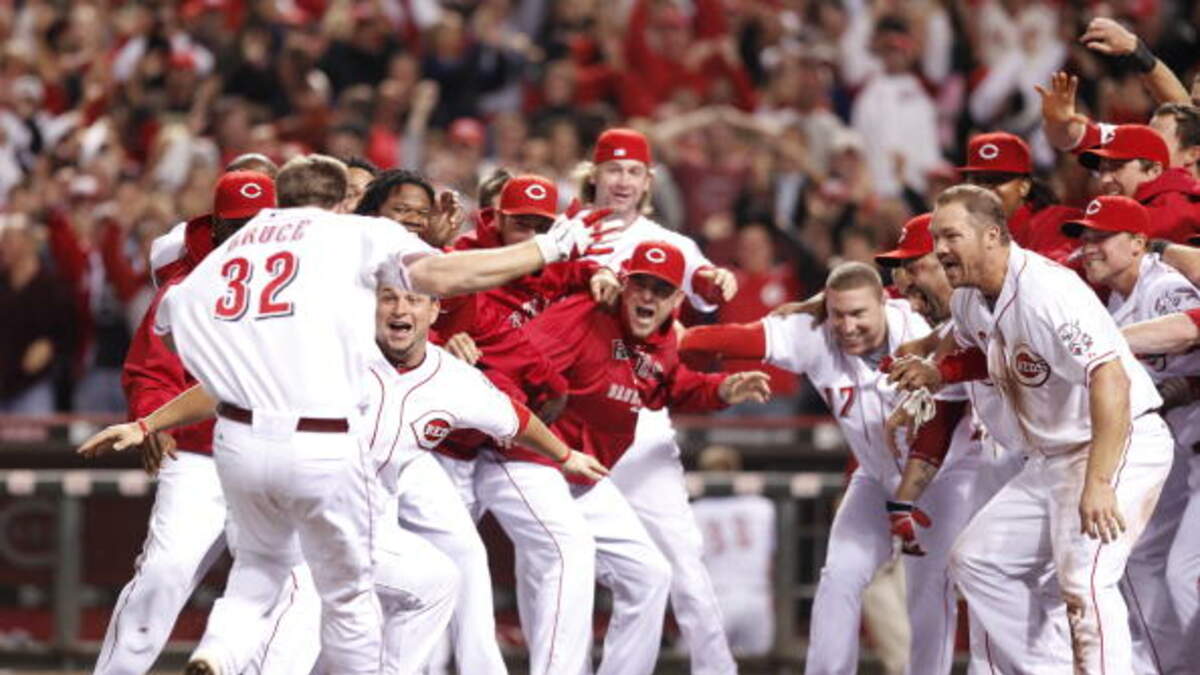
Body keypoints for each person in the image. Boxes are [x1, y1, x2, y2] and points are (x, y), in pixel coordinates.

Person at [80, 153, 618, 674]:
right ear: (343, 202)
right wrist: (548, 248)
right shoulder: (343, 247)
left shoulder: (212, 268)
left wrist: (149, 419)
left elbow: (195, 349)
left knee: (280, 576)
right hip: (299, 446)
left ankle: (218, 654)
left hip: (243, 439)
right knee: (324, 590)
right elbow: (444, 277)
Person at [888, 184, 1174, 673]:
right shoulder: (970, 299)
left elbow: (1111, 377)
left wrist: (1101, 481)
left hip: (1118, 443)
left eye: (951, 235)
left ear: (993, 235)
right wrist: (937, 370)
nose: (938, 248)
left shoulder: (1047, 291)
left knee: (1085, 580)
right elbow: (987, 346)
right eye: (936, 237)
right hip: (1055, 457)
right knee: (979, 561)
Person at [473, 240, 770, 675]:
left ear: (677, 301)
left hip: (582, 474)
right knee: (569, 555)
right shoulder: (584, 315)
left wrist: (720, 390)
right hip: (524, 459)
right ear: (623, 285)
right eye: (641, 285)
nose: (648, 296)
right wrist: (542, 404)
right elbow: (508, 366)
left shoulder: (663, 340)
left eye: (661, 289)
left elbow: (666, 387)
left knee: (650, 575)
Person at [680, 260, 979, 675]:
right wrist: (667, 337)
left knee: (928, 587)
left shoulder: (916, 327)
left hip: (948, 476)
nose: (847, 325)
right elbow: (723, 340)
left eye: (859, 313)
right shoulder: (814, 332)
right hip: (878, 478)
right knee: (840, 574)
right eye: (838, 313)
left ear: (883, 302)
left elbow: (945, 421)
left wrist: (907, 503)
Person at [84, 171, 322, 675]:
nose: (247, 235)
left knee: (286, 585)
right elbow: (151, 369)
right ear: (214, 227)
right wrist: (154, 421)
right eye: (236, 226)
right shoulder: (186, 284)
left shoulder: (303, 278)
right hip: (199, 455)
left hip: (273, 453)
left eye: (258, 223)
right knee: (164, 574)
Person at [579, 127, 744, 675]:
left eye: (633, 172)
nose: (622, 181)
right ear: (594, 175)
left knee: (683, 567)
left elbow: (706, 283)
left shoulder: (668, 242)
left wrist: (719, 280)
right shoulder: (563, 233)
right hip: (574, 425)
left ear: (648, 181)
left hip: (642, 421)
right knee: (567, 573)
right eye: (613, 170)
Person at [1060, 195, 1200, 672]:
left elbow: (1190, 333)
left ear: (1139, 243)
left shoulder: (1164, 284)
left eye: (1102, 236)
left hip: (1189, 444)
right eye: (1085, 236)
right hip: (1178, 452)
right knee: (1138, 565)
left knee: (1183, 575)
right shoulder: (1112, 300)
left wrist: (1108, 345)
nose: (1089, 247)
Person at [688, 446, 777, 656]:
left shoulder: (692, 512)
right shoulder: (762, 506)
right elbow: (772, 563)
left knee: (704, 666)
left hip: (715, 599)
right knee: (758, 668)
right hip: (757, 598)